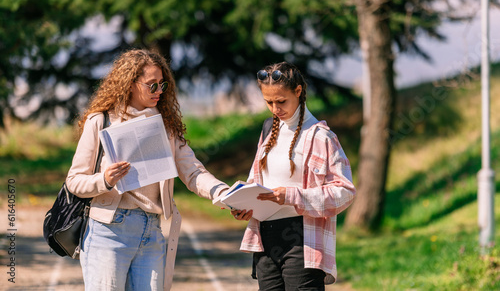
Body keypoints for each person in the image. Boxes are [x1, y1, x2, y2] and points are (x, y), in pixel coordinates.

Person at [65, 49, 229, 291]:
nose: (160, 91)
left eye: (162, 84)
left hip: (151, 231)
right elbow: (74, 181)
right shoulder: (100, 121)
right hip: (108, 232)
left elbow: (193, 172)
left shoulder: (167, 126)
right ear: (130, 84)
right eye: (152, 85)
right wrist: (105, 180)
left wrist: (223, 193)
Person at [231, 62, 356, 290]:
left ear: (298, 91)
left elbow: (344, 192)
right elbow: (254, 182)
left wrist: (292, 196)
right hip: (265, 240)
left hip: (302, 239)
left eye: (281, 101)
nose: (275, 109)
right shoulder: (268, 130)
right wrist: (242, 205)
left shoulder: (322, 137)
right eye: (268, 102)